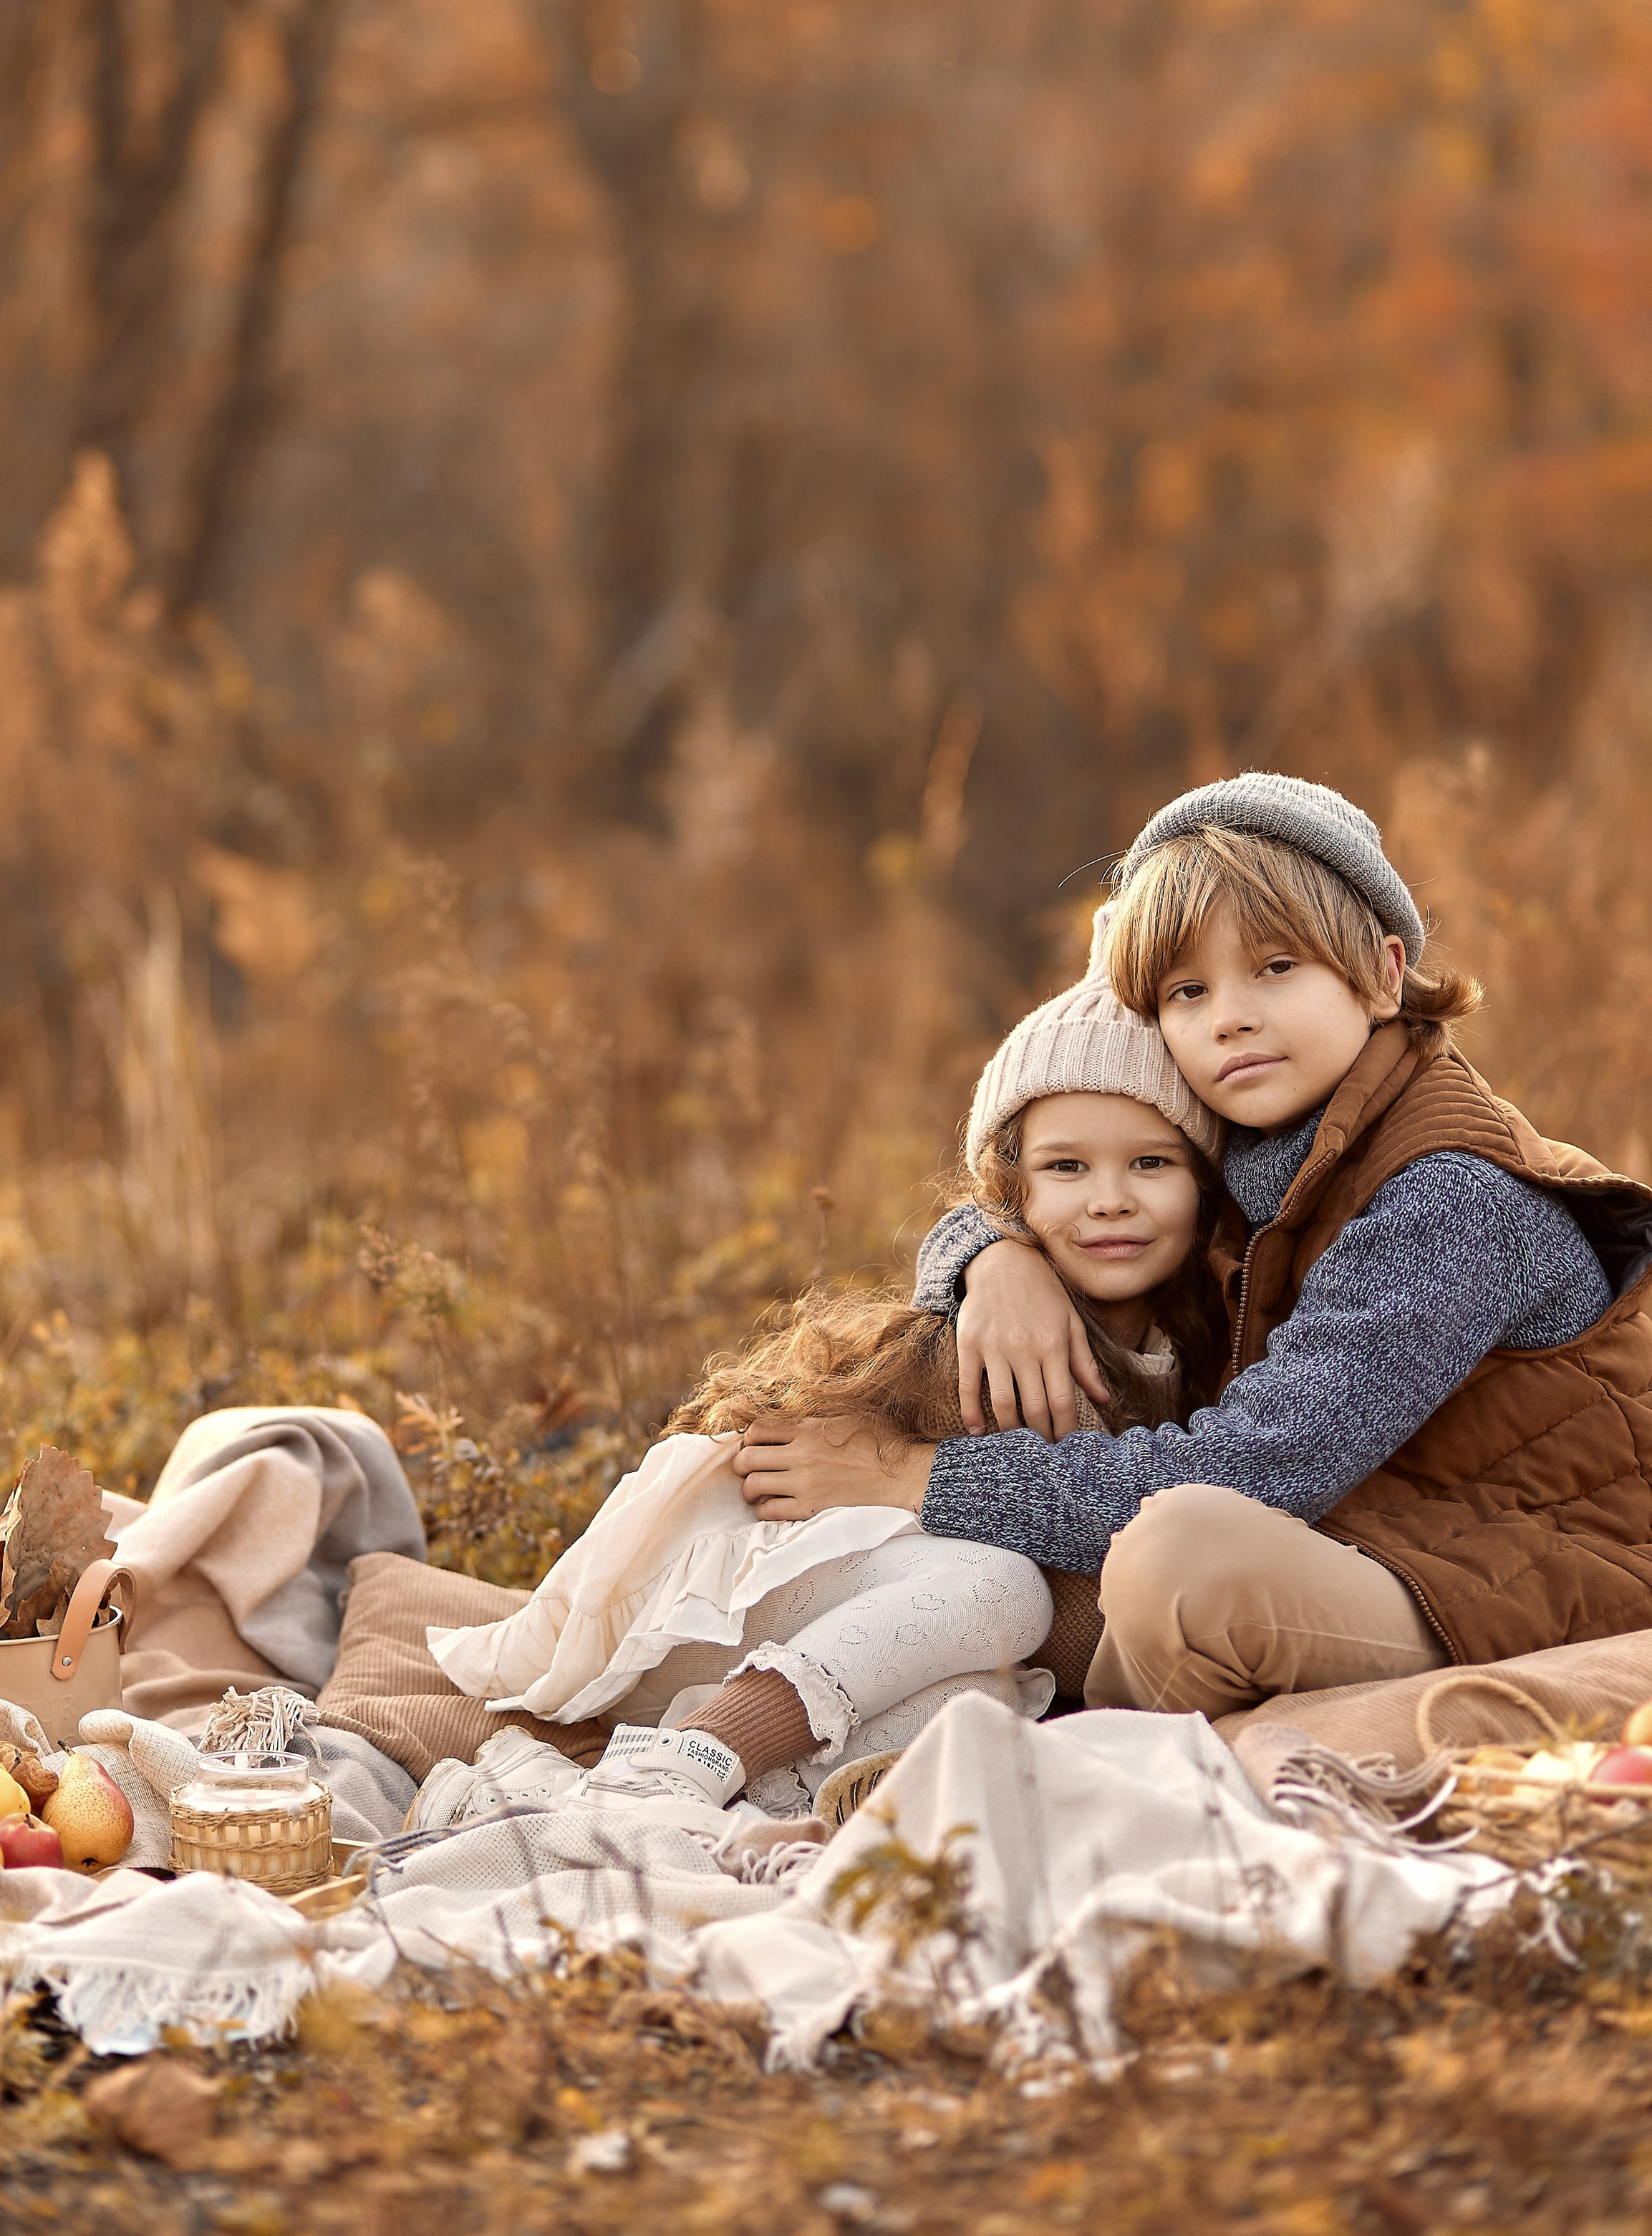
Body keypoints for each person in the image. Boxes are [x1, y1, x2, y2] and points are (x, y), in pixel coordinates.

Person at [735, 773, 1652, 1723]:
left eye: (1276, 967)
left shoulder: (1447, 1194)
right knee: (1032, 1561)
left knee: (1179, 1560)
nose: (1229, 1017)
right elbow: (1063, 1166)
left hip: (1541, 1577)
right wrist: (995, 1254)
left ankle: (1081, 1761)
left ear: (1383, 977)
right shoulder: (1262, 1153)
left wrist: (912, 1477)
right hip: (1388, 1549)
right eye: (1187, 990)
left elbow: (1256, 1471)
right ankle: (848, 1739)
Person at [415, 936, 1224, 1826]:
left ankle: (593, 1791)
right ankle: (697, 1752)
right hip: (724, 1605)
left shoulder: (1193, 1344)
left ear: (1206, 1184)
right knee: (1007, 1592)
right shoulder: (989, 1334)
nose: (1109, 1199)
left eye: (1151, 1163)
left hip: (879, 1641)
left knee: (996, 1700)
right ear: (1010, 1191)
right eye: (1065, 1167)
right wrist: (985, 1254)